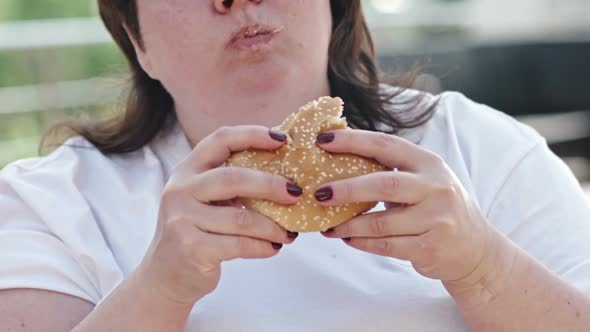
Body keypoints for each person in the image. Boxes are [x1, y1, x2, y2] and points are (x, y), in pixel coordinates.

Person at [1, 0, 589, 331]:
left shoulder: (480, 146)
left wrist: (484, 269)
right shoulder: (49, 203)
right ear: (136, 39)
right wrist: (159, 290)